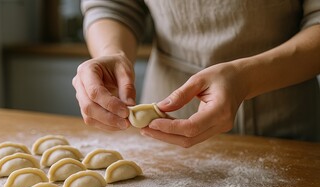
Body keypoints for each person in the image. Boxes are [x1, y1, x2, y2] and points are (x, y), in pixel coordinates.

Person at [72, 0, 320, 148]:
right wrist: (111, 52)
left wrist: (246, 78)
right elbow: (113, 5)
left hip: (284, 122)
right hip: (167, 125)